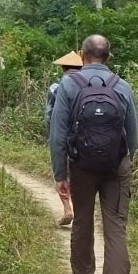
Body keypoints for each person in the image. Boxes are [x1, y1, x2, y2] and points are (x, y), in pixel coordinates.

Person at [48, 34, 138, 274]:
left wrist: (60, 174)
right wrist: (126, 162)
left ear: (81, 55)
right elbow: (133, 134)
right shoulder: (122, 86)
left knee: (83, 220)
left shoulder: (68, 84)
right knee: (116, 229)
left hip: (82, 166)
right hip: (116, 166)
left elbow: (58, 133)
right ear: (108, 57)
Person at [46, 50, 83, 227]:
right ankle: (79, 208)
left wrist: (51, 137)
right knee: (77, 175)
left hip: (61, 137)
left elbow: (49, 116)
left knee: (61, 176)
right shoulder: (87, 85)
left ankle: (67, 208)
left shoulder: (55, 87)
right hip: (82, 141)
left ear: (63, 67)